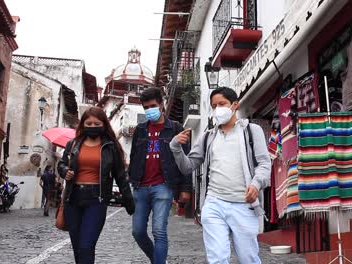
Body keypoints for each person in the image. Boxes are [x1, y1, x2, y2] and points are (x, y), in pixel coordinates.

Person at [170, 87, 271, 264]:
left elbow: (264, 163)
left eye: (222, 104)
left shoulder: (251, 131)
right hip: (214, 203)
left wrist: (256, 184)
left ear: (235, 105)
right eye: (214, 106)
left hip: (244, 205)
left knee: (249, 258)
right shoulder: (208, 137)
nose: (218, 109)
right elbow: (188, 166)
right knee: (218, 258)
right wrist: (176, 147)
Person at [58, 106, 135, 264]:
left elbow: (120, 176)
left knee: (87, 245)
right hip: (72, 198)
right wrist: (65, 170)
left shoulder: (110, 147)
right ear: (83, 124)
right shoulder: (73, 144)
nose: (92, 127)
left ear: (104, 125)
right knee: (77, 247)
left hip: (96, 200)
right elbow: (61, 164)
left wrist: (129, 201)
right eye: (89, 123)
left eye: (96, 123)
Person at [128, 87, 192, 264]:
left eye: (153, 105)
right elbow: (133, 156)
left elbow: (186, 161)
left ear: (162, 104)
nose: (150, 110)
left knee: (159, 231)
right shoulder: (140, 130)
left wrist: (186, 189)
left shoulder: (176, 129)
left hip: (163, 186)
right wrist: (132, 181)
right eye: (146, 107)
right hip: (140, 186)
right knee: (137, 231)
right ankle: (157, 260)